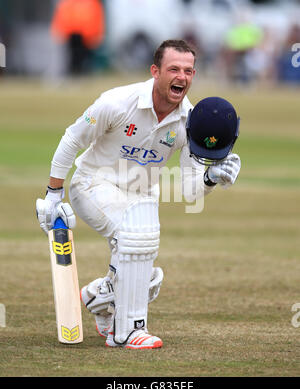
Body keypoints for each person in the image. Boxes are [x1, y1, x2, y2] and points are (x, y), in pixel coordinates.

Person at [36, 39, 241, 349]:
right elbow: (71, 140)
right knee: (134, 244)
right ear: (155, 71)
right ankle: (128, 333)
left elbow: (189, 189)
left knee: (145, 273)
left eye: (188, 71)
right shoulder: (118, 102)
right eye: (174, 69)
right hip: (93, 185)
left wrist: (210, 178)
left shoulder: (190, 121)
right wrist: (53, 193)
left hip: (141, 199)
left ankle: (100, 298)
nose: (182, 77)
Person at [50, 0, 106, 74]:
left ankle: (82, 74)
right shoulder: (67, 2)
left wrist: (97, 34)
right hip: (71, 34)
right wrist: (58, 30)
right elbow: (61, 16)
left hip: (87, 35)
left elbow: (97, 18)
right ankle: (73, 74)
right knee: (72, 57)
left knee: (85, 59)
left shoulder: (92, 2)